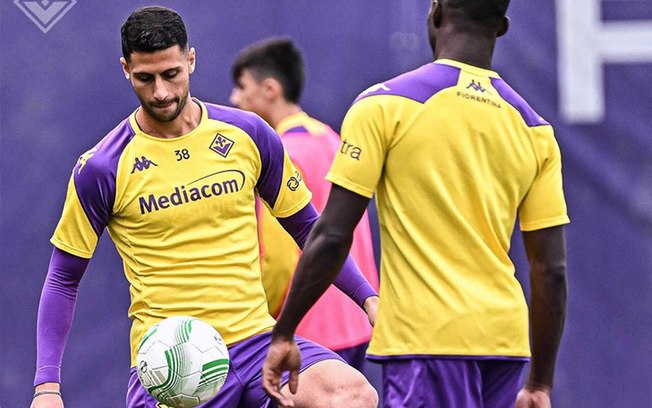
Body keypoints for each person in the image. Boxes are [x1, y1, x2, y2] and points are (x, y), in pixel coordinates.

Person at [31, 6, 379, 408]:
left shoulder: (248, 134)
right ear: (125, 69)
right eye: (145, 78)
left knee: (352, 395)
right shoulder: (103, 166)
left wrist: (368, 298)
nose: (160, 91)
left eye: (171, 74)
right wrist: (47, 387)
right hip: (170, 362)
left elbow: (308, 228)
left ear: (191, 61)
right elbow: (63, 278)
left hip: (256, 342)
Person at [262, 1, 569, 407]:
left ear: (437, 13)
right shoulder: (534, 129)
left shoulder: (384, 105)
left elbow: (334, 235)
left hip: (427, 342)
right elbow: (551, 270)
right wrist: (540, 383)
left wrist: (284, 332)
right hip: (505, 345)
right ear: (502, 27)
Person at [229, 37, 379, 371]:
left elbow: (280, 264)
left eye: (241, 87)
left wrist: (253, 322)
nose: (234, 99)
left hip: (306, 334)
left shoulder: (281, 156)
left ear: (270, 89)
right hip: (356, 324)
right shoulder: (331, 138)